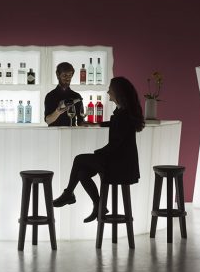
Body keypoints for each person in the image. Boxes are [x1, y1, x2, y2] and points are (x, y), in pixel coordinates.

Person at [52, 77, 144, 222]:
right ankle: (98, 205)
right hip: (123, 162)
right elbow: (115, 125)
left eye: (110, 90)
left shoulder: (123, 115)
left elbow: (115, 144)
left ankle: (69, 194)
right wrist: (94, 124)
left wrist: (98, 153)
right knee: (82, 173)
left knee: (79, 159)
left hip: (120, 165)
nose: (108, 92)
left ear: (118, 93)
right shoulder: (124, 112)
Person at [43, 62, 85, 126]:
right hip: (54, 132)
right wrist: (57, 112)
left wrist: (94, 125)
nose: (67, 78)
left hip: (71, 132)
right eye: (64, 75)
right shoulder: (50, 96)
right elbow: (48, 121)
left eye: (69, 76)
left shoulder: (76, 96)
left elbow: (80, 122)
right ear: (58, 75)